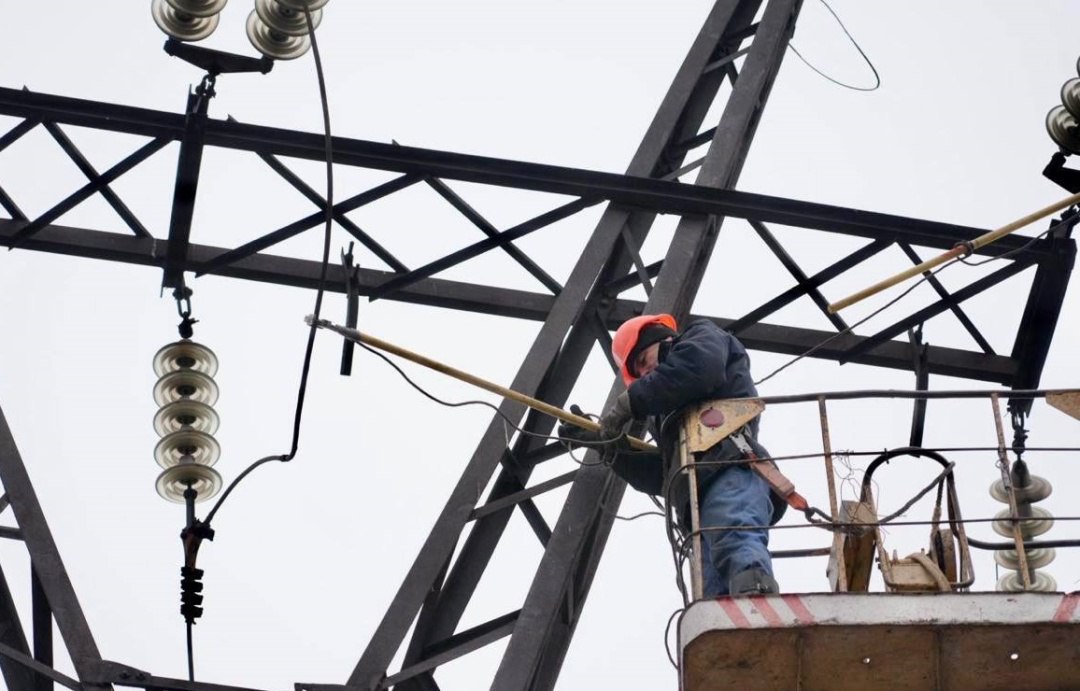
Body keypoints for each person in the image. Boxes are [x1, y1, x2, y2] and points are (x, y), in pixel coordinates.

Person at [562, 314, 785, 597]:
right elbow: (666, 474)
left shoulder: (701, 338)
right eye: (640, 374)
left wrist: (627, 403)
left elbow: (699, 369)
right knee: (712, 588)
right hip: (697, 497)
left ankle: (758, 599)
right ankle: (732, 626)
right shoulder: (667, 415)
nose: (646, 374)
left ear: (662, 339)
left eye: (644, 360)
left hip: (731, 465)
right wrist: (611, 449)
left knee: (735, 534)